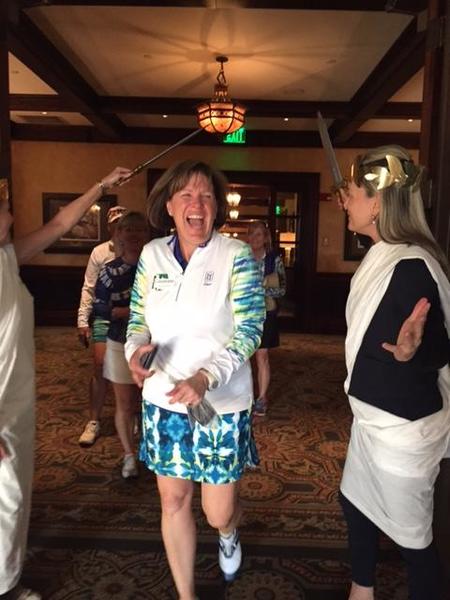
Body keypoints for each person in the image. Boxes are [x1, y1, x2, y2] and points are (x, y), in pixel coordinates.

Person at [124, 160, 265, 599]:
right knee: (173, 500)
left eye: (206, 196)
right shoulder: (152, 255)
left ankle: (228, 531)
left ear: (217, 207)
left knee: (217, 510)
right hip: (163, 400)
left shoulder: (235, 255)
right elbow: (137, 320)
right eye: (186, 195)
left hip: (220, 404)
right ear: (169, 206)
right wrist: (134, 353)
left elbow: (250, 328)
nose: (197, 205)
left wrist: (206, 377)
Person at [0, 167, 132, 600]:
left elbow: (58, 225)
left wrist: (101, 187)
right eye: (4, 209)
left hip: (15, 399)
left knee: (14, 496)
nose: (11, 216)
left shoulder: (5, 257)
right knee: (7, 498)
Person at [338, 145, 450, 600]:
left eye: (351, 194)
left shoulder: (410, 266)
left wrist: (413, 351)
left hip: (402, 429)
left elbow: (439, 346)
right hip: (373, 422)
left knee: (414, 542)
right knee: (354, 502)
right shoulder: (383, 254)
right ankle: (361, 590)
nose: (345, 202)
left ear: (377, 204)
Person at [92, 211, 149, 478]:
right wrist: (100, 339)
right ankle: (129, 455)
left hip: (154, 345)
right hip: (118, 341)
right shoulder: (109, 272)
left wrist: (125, 310)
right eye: (129, 229)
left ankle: (152, 450)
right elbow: (100, 308)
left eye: (140, 229)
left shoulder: (157, 267)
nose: (135, 234)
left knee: (151, 402)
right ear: (119, 235)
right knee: (124, 403)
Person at [77, 204, 128, 446]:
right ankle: (94, 420)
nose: (120, 228)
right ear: (109, 227)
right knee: (99, 367)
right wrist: (82, 320)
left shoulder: (141, 251)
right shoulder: (99, 252)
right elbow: (88, 288)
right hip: (104, 316)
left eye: (124, 224)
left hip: (133, 318)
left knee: (133, 369)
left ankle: (131, 416)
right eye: (116, 224)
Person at [247, 220, 286, 417]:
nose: (255, 238)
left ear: (265, 238)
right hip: (243, 313)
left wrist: (260, 286)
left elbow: (282, 289)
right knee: (241, 357)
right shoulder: (241, 257)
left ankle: (262, 398)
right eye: (252, 233)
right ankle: (244, 396)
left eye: (259, 234)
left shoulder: (273, 259)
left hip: (265, 313)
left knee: (262, 355)